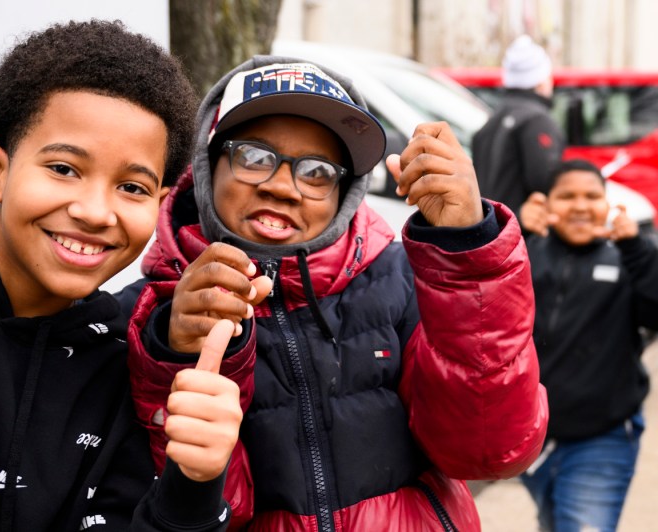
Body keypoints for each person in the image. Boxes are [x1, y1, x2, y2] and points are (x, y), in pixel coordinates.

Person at [117, 56, 549, 530]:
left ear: (347, 192)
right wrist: (178, 353)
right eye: (255, 157)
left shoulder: (403, 278)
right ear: (207, 164)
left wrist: (467, 258)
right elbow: (218, 511)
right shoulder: (150, 315)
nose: (284, 187)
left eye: (318, 171)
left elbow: (488, 450)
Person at [0, 20, 245, 532]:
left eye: (131, 187)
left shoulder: (122, 368)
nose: (94, 211)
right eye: (64, 169)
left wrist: (194, 487)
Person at [518, 159, 658, 532]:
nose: (580, 205)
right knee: (552, 521)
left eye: (592, 196)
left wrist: (636, 248)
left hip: (604, 437)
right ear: (545, 205)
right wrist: (515, 235)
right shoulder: (526, 254)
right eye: (567, 196)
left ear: (608, 204)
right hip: (534, 439)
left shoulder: (630, 257)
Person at [472, 34, 565, 217]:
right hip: (521, 232)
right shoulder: (537, 120)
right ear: (541, 80)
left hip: (490, 227)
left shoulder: (494, 117)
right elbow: (545, 181)